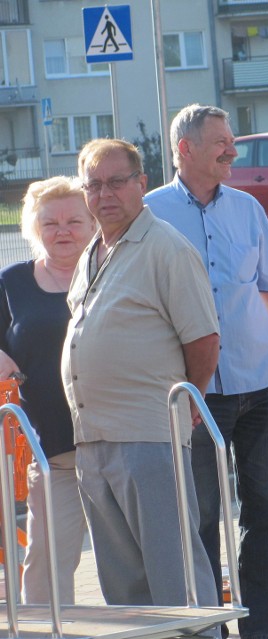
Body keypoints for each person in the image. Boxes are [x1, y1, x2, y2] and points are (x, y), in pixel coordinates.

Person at [145, 104, 268, 639]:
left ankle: (263, 629)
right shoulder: (149, 214)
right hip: (195, 397)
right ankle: (211, 628)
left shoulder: (249, 209)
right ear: (184, 149)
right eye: (220, 143)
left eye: (231, 140)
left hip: (262, 388)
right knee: (202, 519)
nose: (233, 149)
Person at [61, 138, 221, 609]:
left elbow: (204, 340)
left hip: (150, 437)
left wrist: (189, 401)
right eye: (93, 185)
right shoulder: (94, 250)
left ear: (142, 184)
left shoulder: (166, 248)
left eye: (116, 182)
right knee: (124, 587)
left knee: (175, 577)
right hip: (93, 440)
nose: (104, 194)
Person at [0, 177, 97, 604]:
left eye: (74, 220)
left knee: (132, 561)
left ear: (93, 223)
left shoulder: (112, 271)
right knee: (46, 562)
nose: (63, 231)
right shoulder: (11, 282)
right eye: (50, 222)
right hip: (52, 450)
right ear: (33, 228)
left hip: (121, 441)